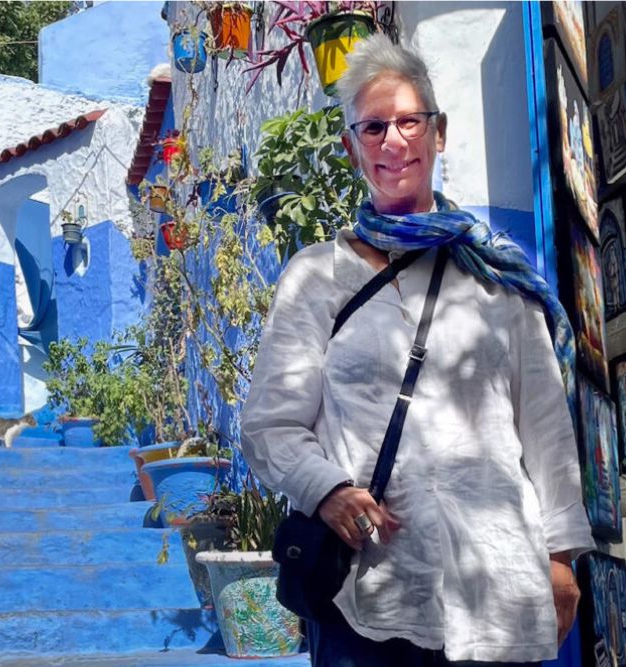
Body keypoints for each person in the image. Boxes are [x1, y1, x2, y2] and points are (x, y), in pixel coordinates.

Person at [241, 34, 595, 666]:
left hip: (496, 586)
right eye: (373, 127)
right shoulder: (316, 277)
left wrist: (562, 558)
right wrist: (327, 490)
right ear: (351, 147)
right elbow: (270, 425)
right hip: (370, 594)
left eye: (410, 122)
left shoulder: (496, 277)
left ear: (439, 133)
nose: (393, 142)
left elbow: (545, 427)